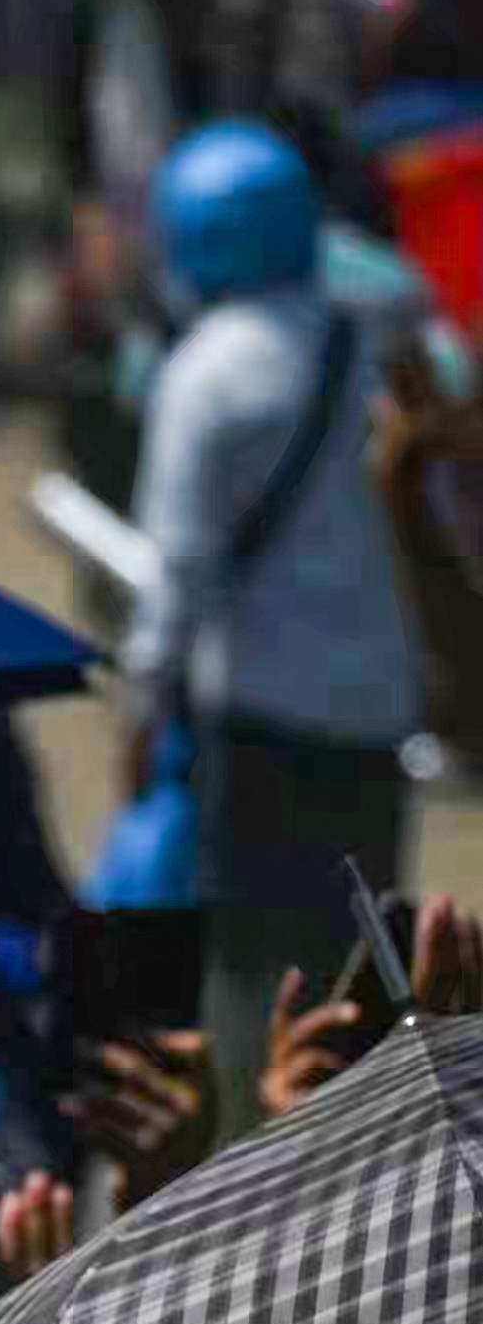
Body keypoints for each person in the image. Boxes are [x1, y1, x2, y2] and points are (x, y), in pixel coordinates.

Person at [131, 120, 422, 1144]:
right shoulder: (365, 341)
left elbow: (174, 579)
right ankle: (375, 1163)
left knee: (257, 980)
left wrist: (140, 709)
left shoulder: (205, 375)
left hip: (258, 730)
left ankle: (262, 1180)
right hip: (376, 719)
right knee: (367, 973)